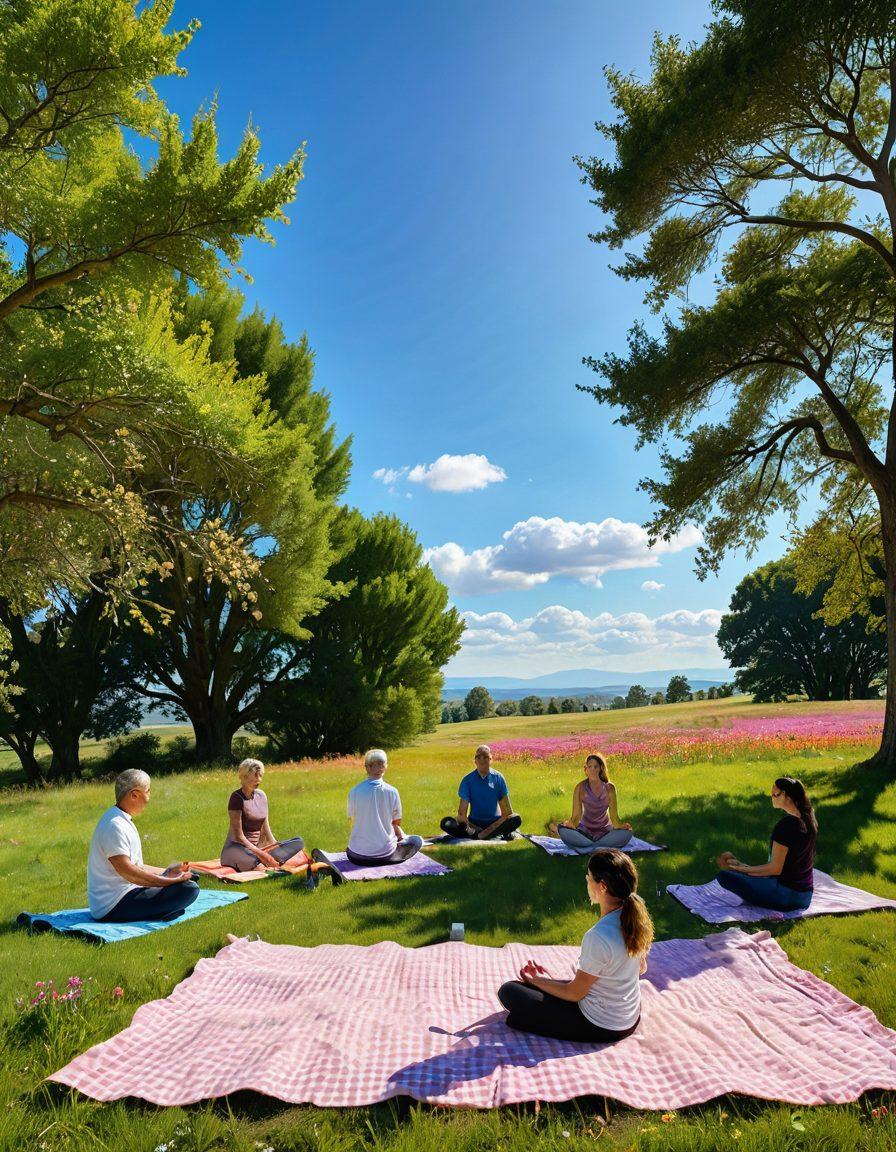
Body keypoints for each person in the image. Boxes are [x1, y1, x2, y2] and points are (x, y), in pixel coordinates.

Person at [497, 848, 653, 1042]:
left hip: (601, 1025)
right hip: (628, 1018)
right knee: (535, 988)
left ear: (602, 886)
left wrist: (536, 981)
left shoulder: (599, 936)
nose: (586, 882)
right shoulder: (636, 921)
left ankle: (528, 1020)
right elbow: (641, 968)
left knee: (510, 991)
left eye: (589, 878)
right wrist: (543, 980)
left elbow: (575, 993)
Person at [87, 769, 200, 923]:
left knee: (187, 885)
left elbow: (137, 866)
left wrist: (167, 872)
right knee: (188, 890)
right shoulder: (114, 825)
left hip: (128, 892)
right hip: (113, 905)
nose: (149, 796)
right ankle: (163, 911)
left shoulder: (122, 819)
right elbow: (128, 872)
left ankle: (164, 909)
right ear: (134, 795)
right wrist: (168, 882)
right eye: (148, 791)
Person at [715, 776, 818, 912]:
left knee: (724, 876)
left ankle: (742, 871)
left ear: (785, 795)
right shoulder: (809, 818)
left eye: (774, 795)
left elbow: (775, 869)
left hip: (785, 895)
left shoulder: (786, 825)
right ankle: (744, 870)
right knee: (747, 874)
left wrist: (743, 870)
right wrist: (747, 869)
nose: (771, 798)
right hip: (805, 897)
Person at [221, 758, 308, 873]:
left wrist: (274, 845)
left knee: (299, 842)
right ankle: (263, 861)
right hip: (237, 848)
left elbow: (266, 829)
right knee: (258, 866)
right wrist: (262, 855)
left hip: (258, 848)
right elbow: (238, 837)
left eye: (260, 776)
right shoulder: (236, 798)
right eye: (255, 776)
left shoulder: (261, 796)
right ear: (244, 777)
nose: (259, 780)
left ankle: (267, 860)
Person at [346, 749, 424, 866]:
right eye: (374, 765)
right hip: (385, 855)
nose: (378, 769)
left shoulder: (354, 791)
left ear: (366, 768)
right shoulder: (392, 792)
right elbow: (396, 823)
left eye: (380, 765)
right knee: (416, 840)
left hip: (356, 855)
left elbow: (351, 820)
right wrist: (400, 837)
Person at [549, 753, 633, 853]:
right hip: (584, 831)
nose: (592, 770)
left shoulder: (610, 788)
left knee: (627, 833)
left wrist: (622, 826)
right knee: (563, 830)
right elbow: (576, 816)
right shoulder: (580, 787)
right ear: (586, 769)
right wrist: (569, 825)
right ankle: (598, 844)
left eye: (595, 767)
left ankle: (591, 844)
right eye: (589, 767)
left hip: (605, 831)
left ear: (601, 768)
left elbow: (614, 818)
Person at [439, 745, 522, 840]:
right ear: (475, 761)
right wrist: (473, 828)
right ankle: (480, 834)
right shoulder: (467, 780)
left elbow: (507, 812)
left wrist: (490, 828)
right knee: (447, 823)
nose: (482, 760)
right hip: (474, 825)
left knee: (515, 819)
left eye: (485, 757)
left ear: (491, 760)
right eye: (478, 757)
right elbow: (462, 815)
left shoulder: (498, 778)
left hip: (495, 824)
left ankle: (482, 835)